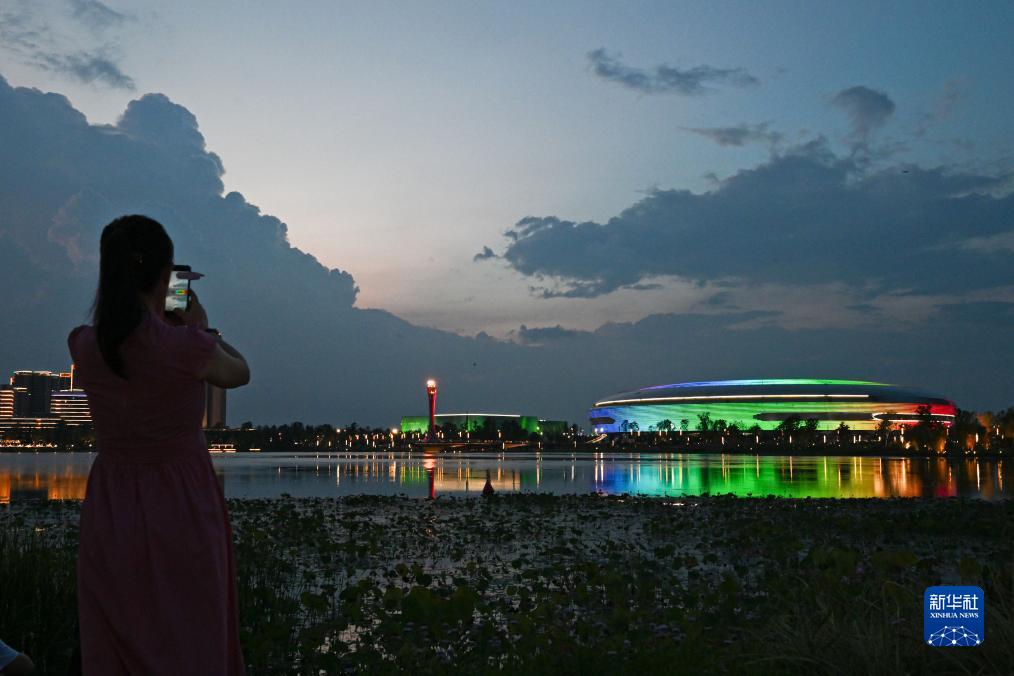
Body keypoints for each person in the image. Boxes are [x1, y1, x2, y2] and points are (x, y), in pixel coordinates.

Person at [68, 215, 250, 675]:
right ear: (166, 276)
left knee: (117, 639)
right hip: (182, 502)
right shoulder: (185, 347)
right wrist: (200, 327)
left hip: (111, 506)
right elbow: (239, 373)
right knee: (190, 636)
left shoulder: (84, 345)